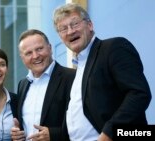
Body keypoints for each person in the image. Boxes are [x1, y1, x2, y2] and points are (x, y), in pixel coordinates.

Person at [53, 3, 152, 141]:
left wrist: (108, 134)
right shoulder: (78, 67)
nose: (70, 31)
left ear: (90, 25)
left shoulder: (113, 48)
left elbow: (139, 94)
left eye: (75, 24)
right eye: (63, 29)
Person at [11, 29, 76, 141]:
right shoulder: (22, 84)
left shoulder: (72, 77)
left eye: (39, 49)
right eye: (28, 53)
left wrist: (54, 135)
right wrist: (17, 134)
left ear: (50, 48)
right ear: (22, 58)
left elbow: (84, 122)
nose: (35, 56)